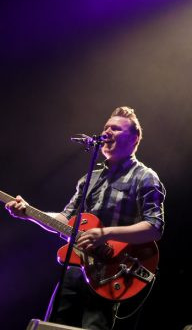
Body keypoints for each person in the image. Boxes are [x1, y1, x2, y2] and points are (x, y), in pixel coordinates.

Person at [5, 106, 166, 330]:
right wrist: (29, 213)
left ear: (134, 138)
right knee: (52, 326)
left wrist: (104, 234)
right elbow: (64, 220)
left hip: (111, 272)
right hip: (75, 268)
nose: (108, 131)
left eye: (116, 129)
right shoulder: (89, 179)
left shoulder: (144, 177)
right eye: (106, 127)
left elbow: (154, 227)